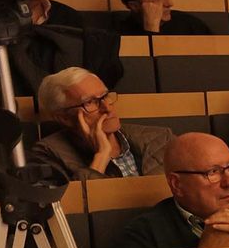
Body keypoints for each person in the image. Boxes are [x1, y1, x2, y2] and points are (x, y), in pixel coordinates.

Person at [30, 68, 172, 180]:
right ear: (64, 118)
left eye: (105, 96)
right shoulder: (48, 153)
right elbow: (76, 208)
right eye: (90, 102)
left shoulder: (160, 138)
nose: (108, 108)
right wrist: (101, 156)